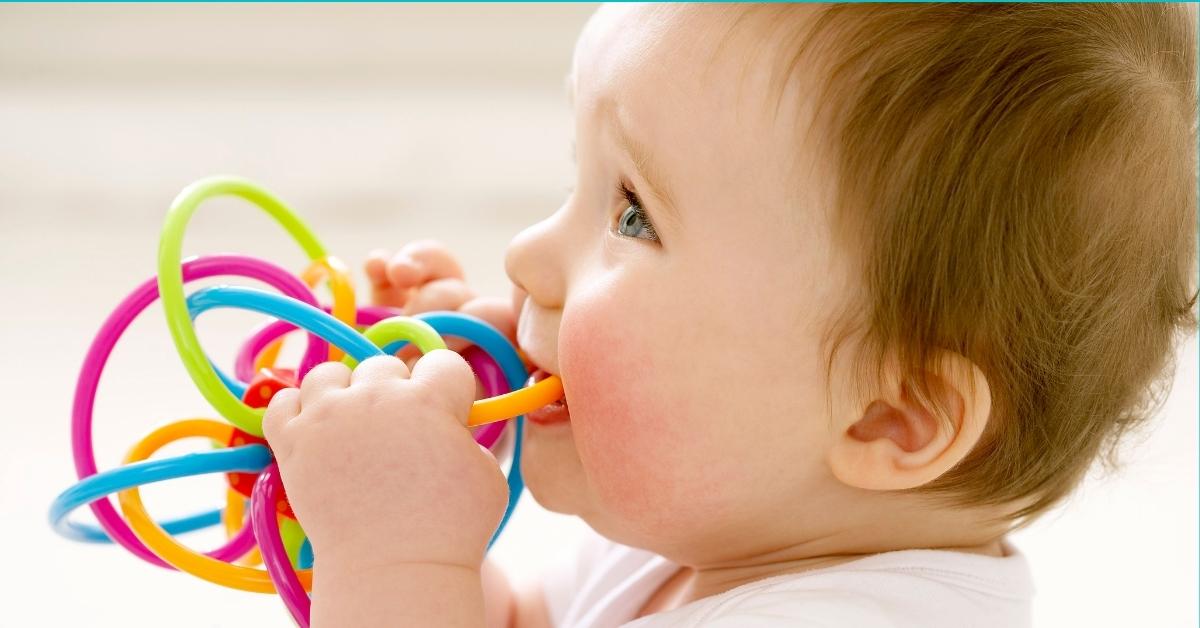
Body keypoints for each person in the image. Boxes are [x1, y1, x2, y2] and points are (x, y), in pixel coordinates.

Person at [261, 4, 1198, 626]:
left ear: (889, 415)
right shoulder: (715, 547)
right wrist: (401, 511)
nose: (524, 258)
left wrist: (393, 557)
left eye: (632, 214)